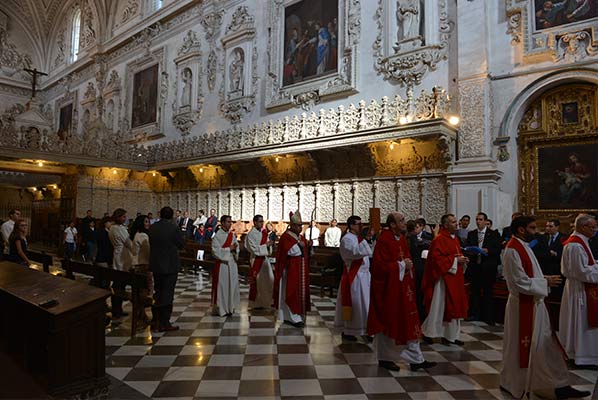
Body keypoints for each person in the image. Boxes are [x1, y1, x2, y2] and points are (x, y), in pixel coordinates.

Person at [500, 215, 589, 400]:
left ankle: (557, 384)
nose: (536, 231)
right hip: (522, 306)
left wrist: (542, 280)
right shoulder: (511, 250)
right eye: (532, 228)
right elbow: (517, 282)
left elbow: (529, 274)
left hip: (535, 303)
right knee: (526, 346)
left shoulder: (523, 246)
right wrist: (545, 281)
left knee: (545, 345)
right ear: (521, 230)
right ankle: (517, 382)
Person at [367, 212, 437, 372]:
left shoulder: (401, 239)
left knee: (409, 323)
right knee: (390, 323)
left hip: (404, 289)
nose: (405, 223)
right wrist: (401, 265)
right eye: (401, 220)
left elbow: (405, 258)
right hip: (389, 291)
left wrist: (407, 265)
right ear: (392, 224)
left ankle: (416, 359)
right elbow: (379, 267)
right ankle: (385, 358)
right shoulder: (384, 240)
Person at [421, 214, 469, 345]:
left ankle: (451, 336)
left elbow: (456, 254)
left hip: (455, 278)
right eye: (453, 222)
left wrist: (462, 260)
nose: (456, 224)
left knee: (454, 307)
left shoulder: (455, 239)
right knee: (439, 308)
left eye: (456, 221)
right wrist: (455, 260)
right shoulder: (439, 239)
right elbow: (436, 260)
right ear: (446, 225)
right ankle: (428, 333)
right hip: (443, 280)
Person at [559, 214, 598, 369]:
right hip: (579, 291)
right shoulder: (575, 245)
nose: (595, 230)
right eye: (593, 227)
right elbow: (581, 272)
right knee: (581, 324)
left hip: (582, 288)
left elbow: (585, 264)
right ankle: (582, 357)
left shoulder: (581, 242)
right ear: (582, 227)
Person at [334, 215, 372, 341]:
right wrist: (365, 240)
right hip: (354, 277)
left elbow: (369, 252)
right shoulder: (347, 239)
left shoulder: (357, 238)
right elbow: (355, 253)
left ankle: (366, 329)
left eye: (361, 224)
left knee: (365, 304)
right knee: (357, 304)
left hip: (364, 276)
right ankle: (349, 330)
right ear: (351, 225)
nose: (360, 226)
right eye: (358, 224)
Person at [149, 206, 185, 331]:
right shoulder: (173, 227)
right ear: (171, 216)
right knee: (168, 294)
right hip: (169, 265)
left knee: (158, 292)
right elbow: (181, 244)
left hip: (156, 264)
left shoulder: (153, 227)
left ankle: (155, 319)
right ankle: (164, 322)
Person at [273, 211, 311, 328]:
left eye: (301, 225)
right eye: (299, 225)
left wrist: (308, 245)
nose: (300, 228)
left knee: (298, 292)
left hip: (300, 269)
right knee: (291, 292)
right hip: (290, 270)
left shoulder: (300, 237)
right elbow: (291, 251)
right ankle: (291, 317)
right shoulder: (286, 236)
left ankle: (297, 315)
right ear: (293, 226)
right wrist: (301, 245)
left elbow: (305, 250)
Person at [465, 212, 502, 325]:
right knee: (474, 292)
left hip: (488, 267)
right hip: (475, 266)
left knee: (488, 292)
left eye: (480, 219)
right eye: (476, 219)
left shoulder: (494, 234)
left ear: (486, 221)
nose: (478, 221)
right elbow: (468, 247)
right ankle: (474, 314)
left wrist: (487, 250)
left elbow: (498, 249)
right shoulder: (471, 234)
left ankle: (488, 317)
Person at [211, 215, 240, 316]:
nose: (230, 223)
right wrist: (229, 249)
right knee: (223, 287)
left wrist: (236, 249)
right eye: (228, 222)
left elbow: (236, 246)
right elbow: (215, 251)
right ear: (222, 223)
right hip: (222, 265)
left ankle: (230, 307)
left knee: (232, 285)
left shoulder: (232, 235)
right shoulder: (217, 236)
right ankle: (222, 308)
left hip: (232, 264)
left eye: (230, 222)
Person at [245, 214, 274, 310]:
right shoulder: (251, 235)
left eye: (262, 221)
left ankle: (267, 301)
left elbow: (267, 246)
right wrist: (266, 245)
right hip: (256, 259)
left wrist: (269, 245)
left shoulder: (263, 233)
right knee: (258, 282)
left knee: (268, 280)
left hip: (264, 260)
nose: (262, 223)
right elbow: (253, 249)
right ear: (255, 222)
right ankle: (257, 303)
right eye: (260, 221)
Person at [108, 208, 133, 318]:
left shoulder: (111, 228)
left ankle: (117, 308)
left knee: (118, 284)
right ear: (118, 217)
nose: (125, 218)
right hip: (122, 256)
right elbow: (128, 243)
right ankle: (117, 309)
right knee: (120, 285)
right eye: (123, 216)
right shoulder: (120, 229)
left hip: (116, 254)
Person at [406, 219, 432, 321]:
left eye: (417, 227)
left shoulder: (429, 237)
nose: (415, 229)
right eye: (414, 228)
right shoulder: (409, 237)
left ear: (422, 227)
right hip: (414, 266)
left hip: (424, 266)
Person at [130, 214, 152, 325]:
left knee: (139, 292)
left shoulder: (136, 234)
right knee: (143, 292)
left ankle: (140, 314)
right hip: (143, 265)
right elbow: (148, 253)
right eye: (146, 222)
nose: (148, 224)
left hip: (136, 265)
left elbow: (133, 251)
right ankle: (141, 315)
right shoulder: (143, 236)